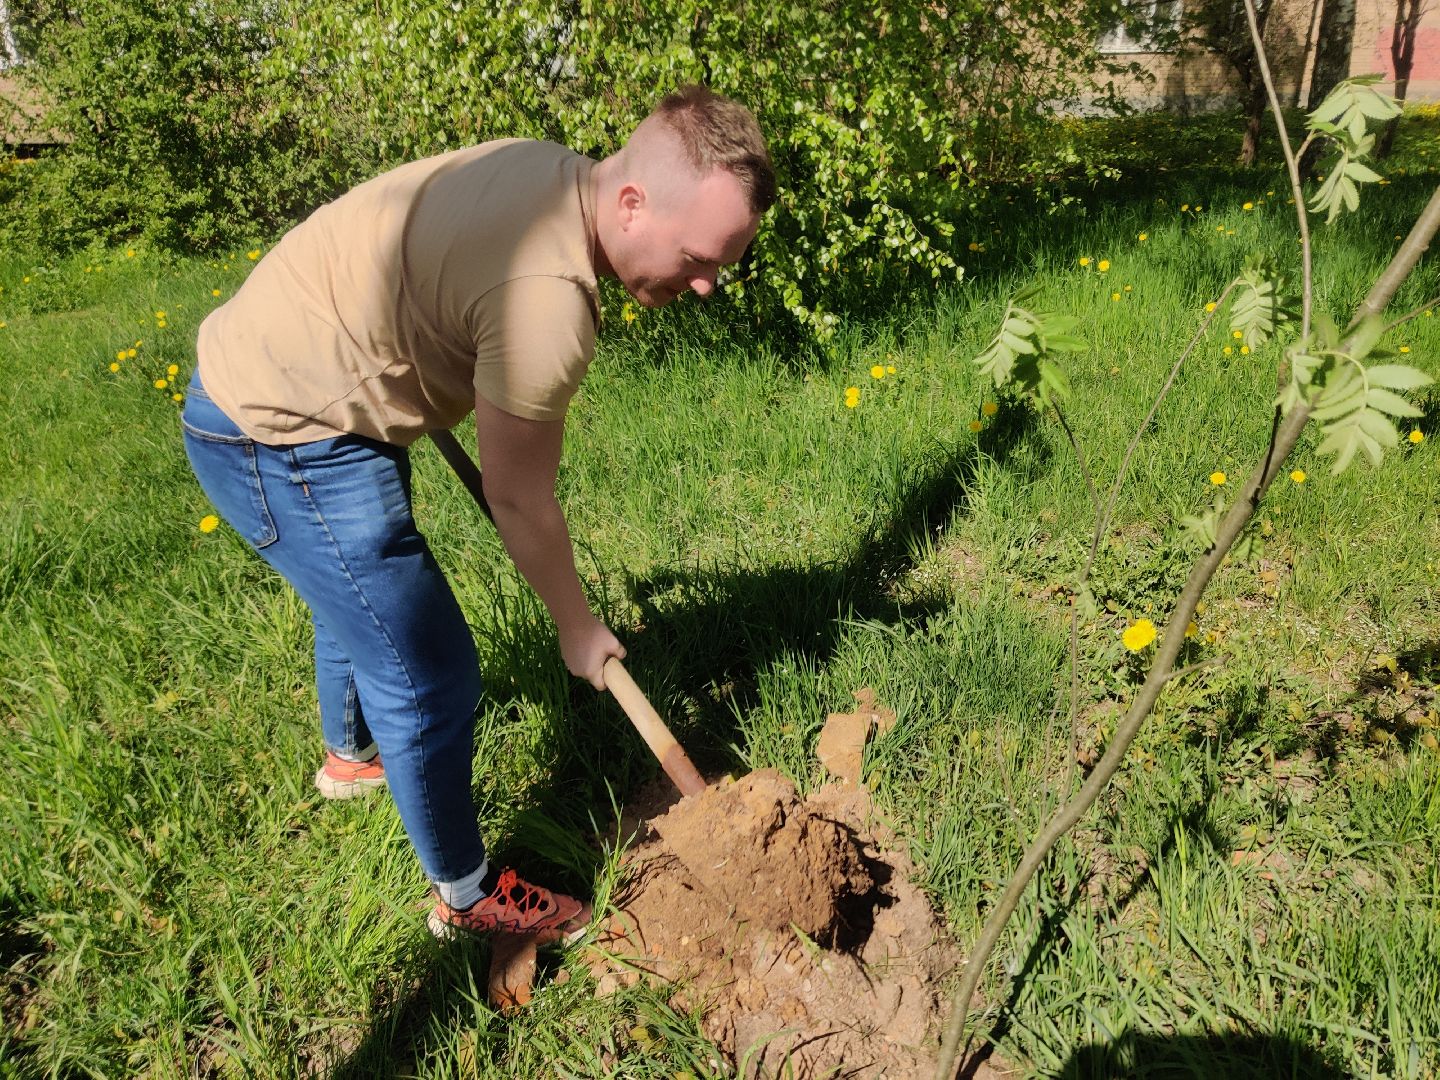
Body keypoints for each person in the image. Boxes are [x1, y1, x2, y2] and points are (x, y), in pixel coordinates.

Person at [181, 86, 775, 939]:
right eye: (699, 256)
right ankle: (467, 899)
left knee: (352, 588)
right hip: (278, 430)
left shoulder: (547, 170)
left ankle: (352, 761)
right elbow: (518, 496)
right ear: (633, 204)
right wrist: (578, 627)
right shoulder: (550, 296)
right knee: (427, 669)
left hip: (285, 362)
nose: (710, 283)